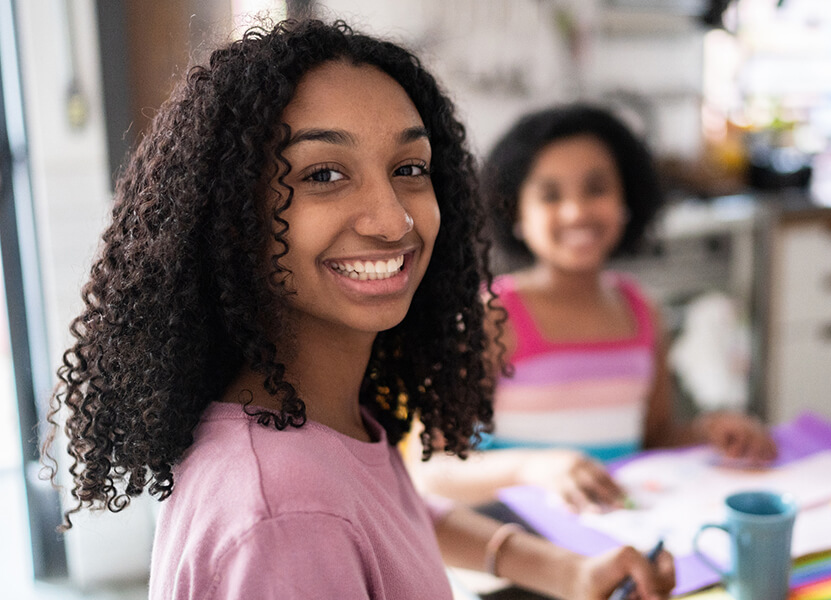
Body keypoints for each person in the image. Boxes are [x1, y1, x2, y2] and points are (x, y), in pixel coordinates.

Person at [43, 19, 675, 600]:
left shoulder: (323, 417)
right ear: (231, 218)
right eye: (324, 175)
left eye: (408, 167)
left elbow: (392, 514)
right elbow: (327, 520)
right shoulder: (287, 517)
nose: (393, 218)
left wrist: (568, 571)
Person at [414, 104, 777, 512]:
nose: (576, 211)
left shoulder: (643, 312)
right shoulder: (493, 316)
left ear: (627, 196)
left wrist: (710, 430)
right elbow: (432, 470)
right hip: (523, 545)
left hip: (620, 536)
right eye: (550, 195)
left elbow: (652, 439)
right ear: (514, 210)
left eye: (596, 188)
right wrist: (534, 467)